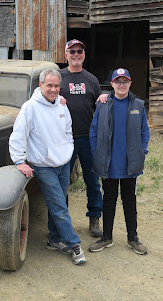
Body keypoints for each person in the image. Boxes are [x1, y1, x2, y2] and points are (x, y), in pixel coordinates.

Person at [9, 68, 87, 265]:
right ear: (40, 85)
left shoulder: (61, 105)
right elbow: (19, 135)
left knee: (59, 203)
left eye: (56, 86)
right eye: (49, 85)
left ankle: (54, 239)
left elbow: (68, 130)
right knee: (59, 207)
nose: (53, 89)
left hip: (63, 163)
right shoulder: (30, 108)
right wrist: (19, 161)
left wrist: (68, 150)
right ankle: (74, 244)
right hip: (44, 166)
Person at [88, 68, 150, 255]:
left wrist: (142, 151)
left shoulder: (138, 105)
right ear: (112, 84)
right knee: (109, 200)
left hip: (129, 164)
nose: (121, 85)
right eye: (118, 81)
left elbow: (144, 132)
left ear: (130, 83)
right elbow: (93, 131)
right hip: (109, 163)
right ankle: (107, 237)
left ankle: (133, 238)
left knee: (129, 200)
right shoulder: (103, 105)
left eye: (125, 81)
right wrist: (95, 152)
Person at [59, 39, 104, 238]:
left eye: (80, 51)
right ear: (66, 54)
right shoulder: (58, 77)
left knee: (92, 180)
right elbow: (41, 96)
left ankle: (94, 217)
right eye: (72, 51)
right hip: (64, 138)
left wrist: (104, 96)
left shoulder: (91, 79)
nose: (76, 54)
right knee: (62, 181)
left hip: (87, 138)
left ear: (84, 55)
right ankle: (62, 220)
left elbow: (100, 103)